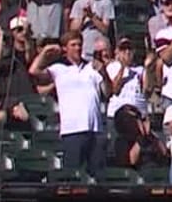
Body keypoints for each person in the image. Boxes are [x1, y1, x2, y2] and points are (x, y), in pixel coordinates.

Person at [29, 34, 112, 178]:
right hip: (72, 131)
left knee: (97, 176)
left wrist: (104, 73)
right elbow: (33, 71)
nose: (77, 48)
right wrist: (46, 51)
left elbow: (108, 92)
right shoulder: (58, 69)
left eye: (79, 44)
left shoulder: (92, 67)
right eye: (73, 45)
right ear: (65, 48)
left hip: (95, 130)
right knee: (73, 176)